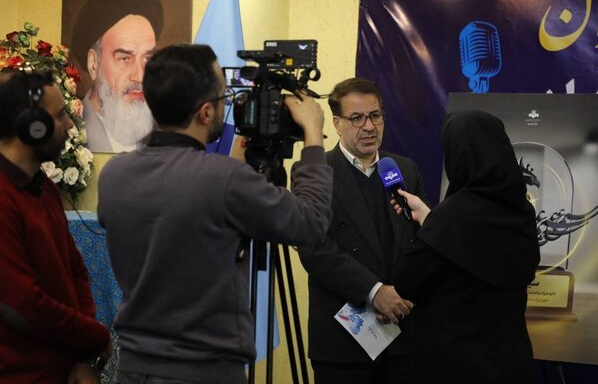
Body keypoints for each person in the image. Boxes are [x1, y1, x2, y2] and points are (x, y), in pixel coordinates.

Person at [98, 44, 333, 384]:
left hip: (133, 368)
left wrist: (234, 173)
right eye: (225, 98)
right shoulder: (224, 180)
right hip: (204, 371)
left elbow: (181, 223)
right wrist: (312, 135)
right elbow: (310, 223)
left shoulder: (114, 175)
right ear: (206, 112)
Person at [391, 110, 540, 384]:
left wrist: (433, 224)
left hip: (455, 366)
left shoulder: (450, 219)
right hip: (510, 362)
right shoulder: (522, 212)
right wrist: (430, 219)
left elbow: (406, 281)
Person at [297, 77, 427, 384]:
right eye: (356, 118)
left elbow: (421, 241)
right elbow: (314, 249)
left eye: (375, 115)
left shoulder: (404, 169)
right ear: (337, 123)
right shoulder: (316, 173)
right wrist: (374, 292)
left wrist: (403, 294)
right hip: (343, 347)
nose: (369, 127)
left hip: (403, 338)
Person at [0, 70, 111, 383]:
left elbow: (75, 271)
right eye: (60, 115)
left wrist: (84, 356)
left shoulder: (43, 186)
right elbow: (23, 305)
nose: (70, 125)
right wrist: (96, 338)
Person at [71, 0, 164, 152]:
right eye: (124, 59)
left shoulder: (164, 134)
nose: (140, 76)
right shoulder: (69, 133)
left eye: (147, 59)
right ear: (94, 64)